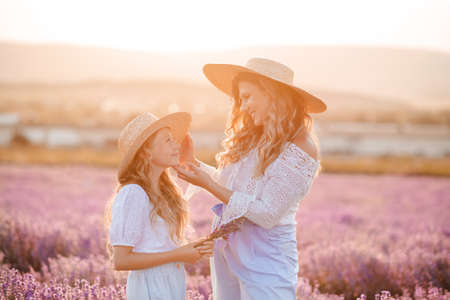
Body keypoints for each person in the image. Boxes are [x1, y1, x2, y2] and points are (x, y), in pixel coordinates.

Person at [175, 57, 327, 299]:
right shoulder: (255, 134)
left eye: (247, 97)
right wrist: (192, 164)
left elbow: (267, 213)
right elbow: (237, 188)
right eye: (240, 99)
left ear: (272, 94)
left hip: (265, 257)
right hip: (228, 249)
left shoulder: (301, 146)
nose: (243, 106)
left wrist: (209, 184)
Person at [104, 112, 214, 300]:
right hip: (150, 288)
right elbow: (121, 260)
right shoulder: (134, 193)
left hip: (171, 283)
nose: (176, 145)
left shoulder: (165, 192)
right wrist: (178, 254)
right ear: (146, 151)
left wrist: (193, 248)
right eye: (167, 141)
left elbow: (157, 245)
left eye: (174, 139)